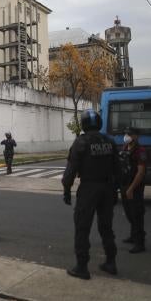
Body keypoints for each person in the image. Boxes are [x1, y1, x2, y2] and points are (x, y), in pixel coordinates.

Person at [62, 109, 120, 280]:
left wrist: (67, 190)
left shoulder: (80, 142)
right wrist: (115, 190)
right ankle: (111, 262)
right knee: (106, 227)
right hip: (108, 188)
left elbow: (70, 172)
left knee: (82, 227)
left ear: (84, 124)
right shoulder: (110, 142)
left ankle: (82, 267)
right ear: (99, 123)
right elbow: (118, 169)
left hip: (89, 189)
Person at [120, 127, 147, 254]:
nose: (126, 136)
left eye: (129, 134)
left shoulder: (140, 151)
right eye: (126, 133)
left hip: (135, 187)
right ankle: (133, 236)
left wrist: (131, 189)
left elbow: (141, 172)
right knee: (129, 213)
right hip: (125, 185)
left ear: (136, 136)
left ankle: (140, 243)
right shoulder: (125, 147)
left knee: (137, 214)